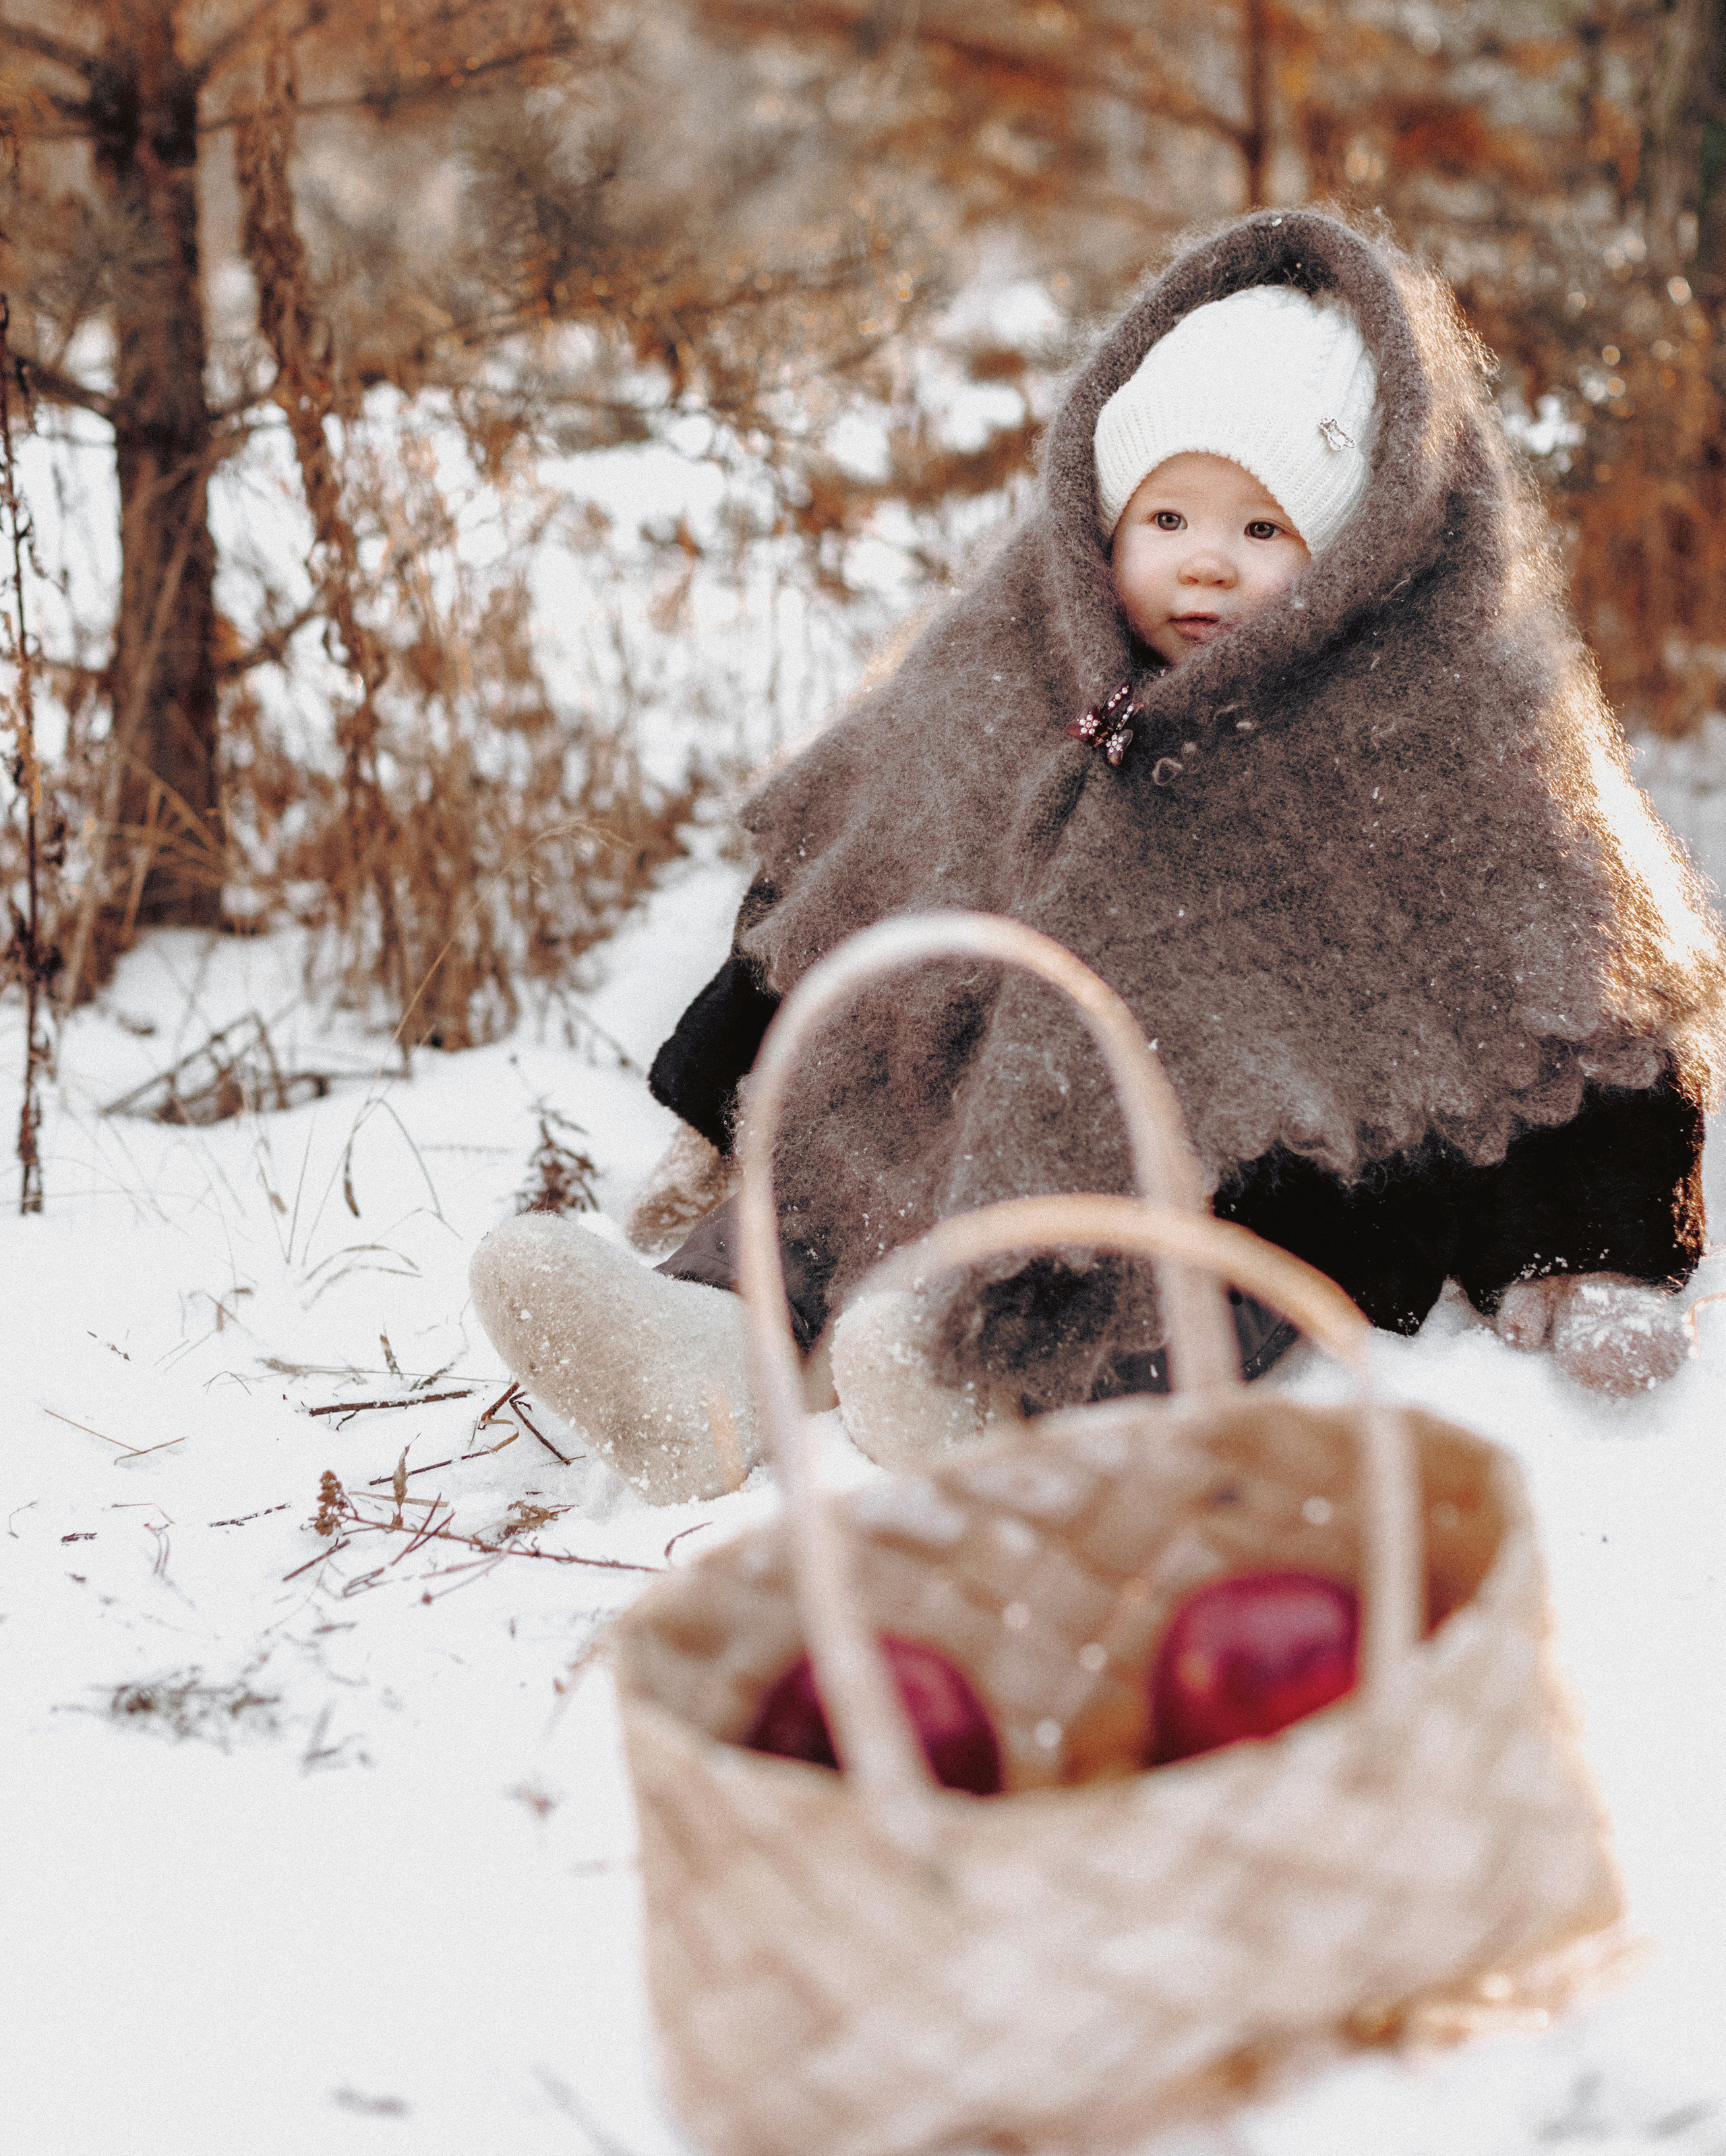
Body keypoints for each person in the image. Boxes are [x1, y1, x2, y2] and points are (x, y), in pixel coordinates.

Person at [471, 208, 1726, 1503]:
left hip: (1234, 1161)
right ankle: (710, 1353)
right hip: (956, 1100)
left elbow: (1566, 974)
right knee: (838, 1140)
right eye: (1168, 515)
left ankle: (1008, 1395)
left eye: (1264, 532)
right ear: (1099, 517)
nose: (1205, 566)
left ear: (1357, 552)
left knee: (1220, 1264)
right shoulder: (1014, 655)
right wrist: (741, 1084)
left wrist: (1597, 1242)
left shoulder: (1436, 719)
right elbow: (862, 863)